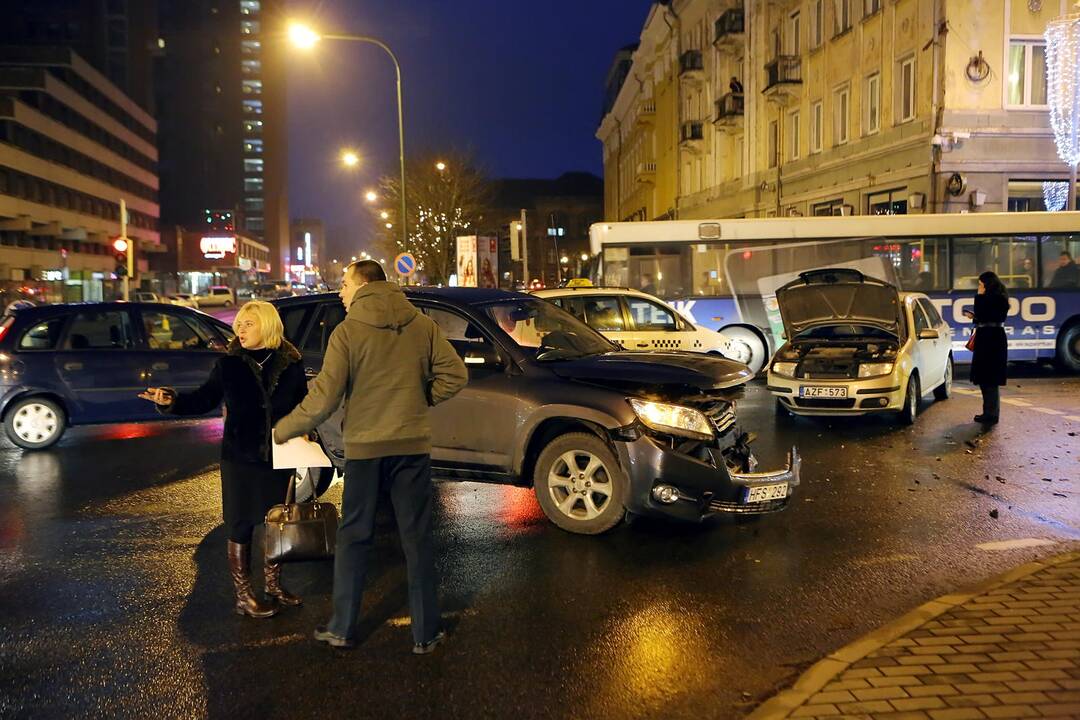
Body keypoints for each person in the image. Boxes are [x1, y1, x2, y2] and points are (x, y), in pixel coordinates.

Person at [273, 260, 468, 653]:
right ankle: (426, 633)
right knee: (417, 539)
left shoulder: (347, 332)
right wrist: (421, 398)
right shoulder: (422, 325)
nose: (341, 292)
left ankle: (343, 628)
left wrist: (283, 428)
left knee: (355, 537)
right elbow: (456, 375)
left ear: (362, 285)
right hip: (412, 446)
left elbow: (324, 397)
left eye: (344, 284)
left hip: (365, 449)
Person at [139, 301, 308, 617]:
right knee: (241, 523)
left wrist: (308, 432)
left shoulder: (291, 365)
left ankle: (273, 585)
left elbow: (304, 406)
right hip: (240, 456)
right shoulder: (228, 366)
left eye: (248, 324)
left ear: (268, 326)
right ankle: (244, 595)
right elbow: (203, 399)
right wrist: (171, 400)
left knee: (276, 523)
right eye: (239, 325)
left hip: (280, 454)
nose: (240, 330)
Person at [963, 271, 1008, 425]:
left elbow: (983, 315)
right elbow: (990, 316)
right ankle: (990, 412)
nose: (979, 287)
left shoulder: (984, 299)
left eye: (980, 284)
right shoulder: (1002, 298)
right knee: (990, 378)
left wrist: (979, 296)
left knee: (986, 378)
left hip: (987, 340)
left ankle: (990, 414)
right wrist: (975, 317)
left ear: (986, 285)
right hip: (996, 338)